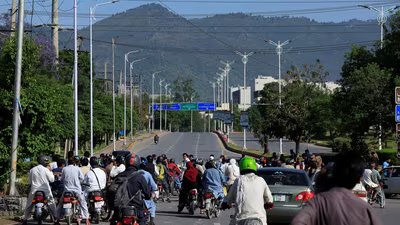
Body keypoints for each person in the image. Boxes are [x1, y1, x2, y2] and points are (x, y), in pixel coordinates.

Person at [291, 152, 382, 225]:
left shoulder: (318, 202)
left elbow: (298, 221)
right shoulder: (365, 209)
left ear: (335, 173)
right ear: (359, 179)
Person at [222, 156, 273, 225]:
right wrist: (269, 204)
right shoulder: (261, 180)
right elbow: (269, 199)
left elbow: (229, 198)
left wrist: (225, 204)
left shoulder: (238, 180)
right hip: (260, 219)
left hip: (241, 219)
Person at [110, 153, 151, 225]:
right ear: (138, 163)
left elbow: (111, 190)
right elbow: (147, 194)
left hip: (120, 208)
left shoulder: (119, 175)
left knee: (113, 221)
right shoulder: (140, 177)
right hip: (137, 208)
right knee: (143, 220)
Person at [22, 155, 59, 225]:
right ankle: (56, 219)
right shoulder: (46, 170)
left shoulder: (32, 170)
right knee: (52, 204)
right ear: (43, 162)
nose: (47, 163)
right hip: (46, 190)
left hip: (34, 190)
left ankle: (25, 219)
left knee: (29, 205)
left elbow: (29, 182)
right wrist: (51, 171)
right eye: (46, 162)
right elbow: (52, 179)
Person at [56, 156, 89, 225]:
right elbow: (82, 178)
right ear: (74, 162)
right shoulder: (77, 168)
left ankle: (57, 219)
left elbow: (62, 179)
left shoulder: (64, 169)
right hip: (77, 191)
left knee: (60, 204)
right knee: (83, 203)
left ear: (67, 162)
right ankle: (86, 219)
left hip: (67, 191)